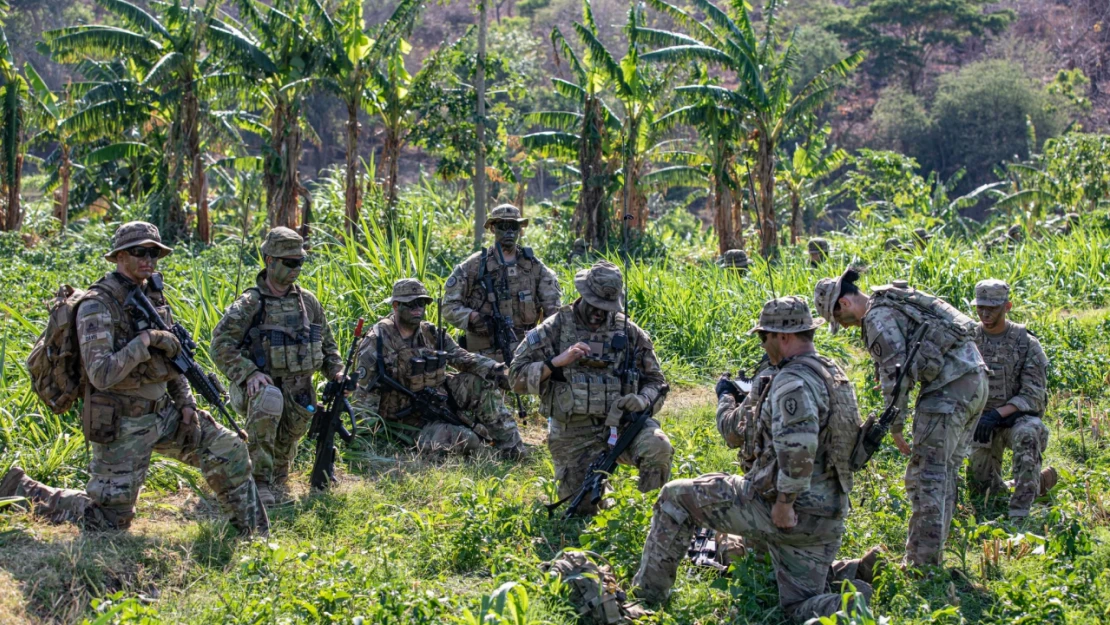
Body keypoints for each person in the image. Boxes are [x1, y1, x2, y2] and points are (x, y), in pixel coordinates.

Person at [1, 222, 265, 534]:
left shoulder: (151, 295)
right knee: (108, 521)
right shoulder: (96, 306)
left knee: (230, 449)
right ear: (118, 257)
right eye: (139, 252)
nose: (148, 259)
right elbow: (101, 374)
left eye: (154, 253)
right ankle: (22, 489)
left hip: (163, 413)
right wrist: (144, 342)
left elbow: (173, 361)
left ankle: (253, 536)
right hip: (121, 421)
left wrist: (186, 403)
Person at [632, 297, 872, 622]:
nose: (763, 344)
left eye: (764, 337)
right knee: (794, 607)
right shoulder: (833, 372)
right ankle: (853, 596)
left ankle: (646, 601)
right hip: (827, 516)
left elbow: (799, 447)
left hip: (786, 510)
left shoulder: (791, 382)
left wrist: (785, 502)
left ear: (782, 337)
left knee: (676, 497)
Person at [814, 270, 987, 568]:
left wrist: (894, 427)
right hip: (975, 379)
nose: (843, 326)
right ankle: (933, 556)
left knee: (926, 477)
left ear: (844, 303)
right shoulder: (892, 301)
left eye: (839, 319)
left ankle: (923, 565)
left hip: (949, 390)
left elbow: (896, 374)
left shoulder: (877, 319)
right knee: (944, 471)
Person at [508, 261, 672, 515]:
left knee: (658, 447)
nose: (600, 313)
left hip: (622, 425)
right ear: (582, 295)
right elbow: (515, 377)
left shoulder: (627, 331)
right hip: (574, 432)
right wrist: (556, 362)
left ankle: (649, 517)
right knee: (582, 509)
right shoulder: (555, 328)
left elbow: (657, 382)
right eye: (594, 305)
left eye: (606, 307)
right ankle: (601, 495)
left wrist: (643, 400)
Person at [211, 227, 344, 505]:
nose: (296, 268)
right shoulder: (251, 304)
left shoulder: (307, 302)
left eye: (300, 262)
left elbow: (328, 345)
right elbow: (220, 345)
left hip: (298, 393)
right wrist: (248, 373)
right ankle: (258, 482)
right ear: (269, 261)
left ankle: (273, 471)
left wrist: (338, 372)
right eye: (289, 262)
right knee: (269, 400)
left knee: (282, 467)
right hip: (262, 389)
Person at [350, 279, 526, 458]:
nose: (418, 308)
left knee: (480, 383)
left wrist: (497, 371)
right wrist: (366, 438)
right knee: (468, 439)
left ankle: (513, 450)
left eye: (422, 303)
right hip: (404, 422)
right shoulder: (377, 341)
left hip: (438, 403)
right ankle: (481, 452)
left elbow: (461, 357)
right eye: (411, 304)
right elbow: (364, 394)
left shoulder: (430, 333)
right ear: (396, 305)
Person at [967, 279, 1057, 517]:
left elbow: (1034, 394)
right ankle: (1039, 482)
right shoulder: (967, 340)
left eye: (992, 308)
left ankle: (1019, 514)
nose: (985, 313)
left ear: (1007, 307)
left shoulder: (1026, 343)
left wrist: (998, 414)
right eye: (980, 307)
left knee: (1029, 434)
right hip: (980, 423)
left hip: (1016, 421)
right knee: (983, 490)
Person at [442, 204, 562, 362]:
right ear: (492, 228)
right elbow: (449, 306)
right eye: (503, 226)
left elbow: (553, 313)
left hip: (525, 353)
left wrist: (546, 347)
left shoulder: (535, 267)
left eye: (513, 226)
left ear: (520, 229)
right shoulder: (474, 266)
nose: (509, 232)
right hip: (484, 357)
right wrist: (472, 316)